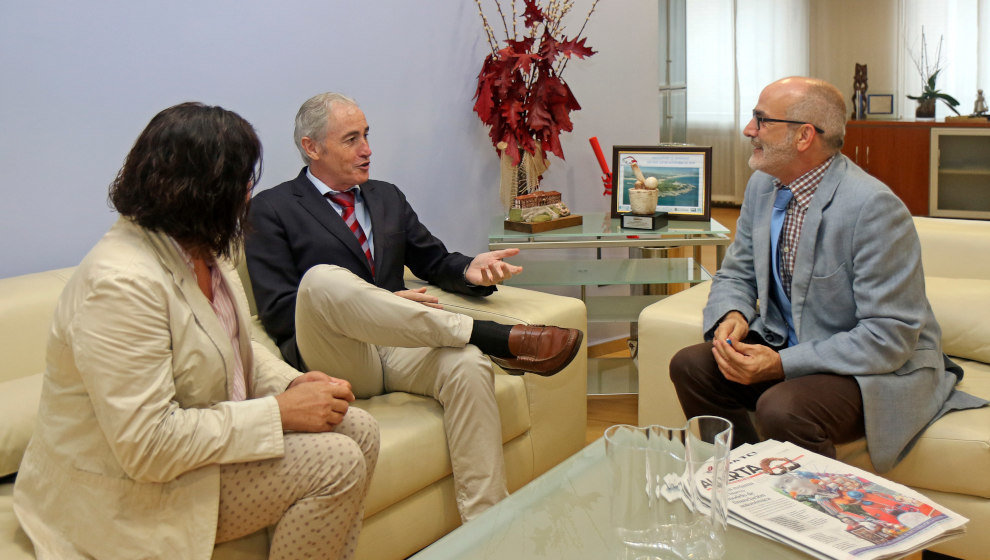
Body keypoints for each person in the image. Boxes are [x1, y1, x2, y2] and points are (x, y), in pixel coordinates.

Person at [13, 102, 379, 560]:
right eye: (242, 184)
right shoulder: (121, 284)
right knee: (337, 464)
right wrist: (280, 412)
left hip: (197, 452)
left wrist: (294, 383)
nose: (249, 196)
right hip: (127, 491)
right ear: (203, 192)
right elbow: (147, 446)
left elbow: (237, 342)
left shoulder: (205, 249)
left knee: (358, 426)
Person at [245, 92, 583, 521]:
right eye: (351, 139)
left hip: (398, 346)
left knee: (467, 365)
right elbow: (279, 309)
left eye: (366, 136)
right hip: (334, 358)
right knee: (321, 280)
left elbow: (433, 261)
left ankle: (488, 528)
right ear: (312, 147)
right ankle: (491, 334)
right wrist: (382, 301)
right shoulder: (271, 209)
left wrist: (469, 270)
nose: (367, 149)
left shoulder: (386, 197)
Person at [668, 77, 986, 474]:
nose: (749, 130)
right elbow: (735, 273)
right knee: (691, 366)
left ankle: (818, 520)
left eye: (761, 120)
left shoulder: (873, 209)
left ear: (804, 136)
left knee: (782, 407)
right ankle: (746, 484)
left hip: (871, 366)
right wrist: (731, 315)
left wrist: (780, 365)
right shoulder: (762, 186)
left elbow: (888, 338)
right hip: (791, 346)